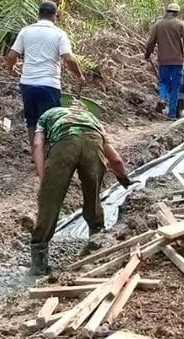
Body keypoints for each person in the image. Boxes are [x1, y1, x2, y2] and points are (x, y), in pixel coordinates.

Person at [28, 104, 133, 275]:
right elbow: (116, 159)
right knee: (93, 198)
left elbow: (38, 145)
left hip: (64, 143)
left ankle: (39, 263)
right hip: (93, 143)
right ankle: (96, 248)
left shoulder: (47, 115)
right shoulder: (92, 120)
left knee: (50, 203)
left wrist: (43, 179)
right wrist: (125, 180)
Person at [6, 0, 86, 147]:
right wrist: (79, 75)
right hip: (49, 85)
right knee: (50, 121)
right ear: (55, 16)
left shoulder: (26, 31)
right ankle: (48, 154)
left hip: (27, 84)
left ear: (39, 14)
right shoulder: (59, 34)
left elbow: (11, 55)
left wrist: (11, 69)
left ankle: (35, 154)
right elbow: (68, 58)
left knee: (32, 121)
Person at [145, 3, 184, 120]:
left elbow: (150, 43)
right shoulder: (180, 24)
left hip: (163, 61)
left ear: (166, 11)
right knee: (175, 87)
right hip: (177, 61)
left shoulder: (158, 25)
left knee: (163, 82)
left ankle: (162, 98)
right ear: (177, 13)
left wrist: (147, 54)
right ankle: (172, 114)